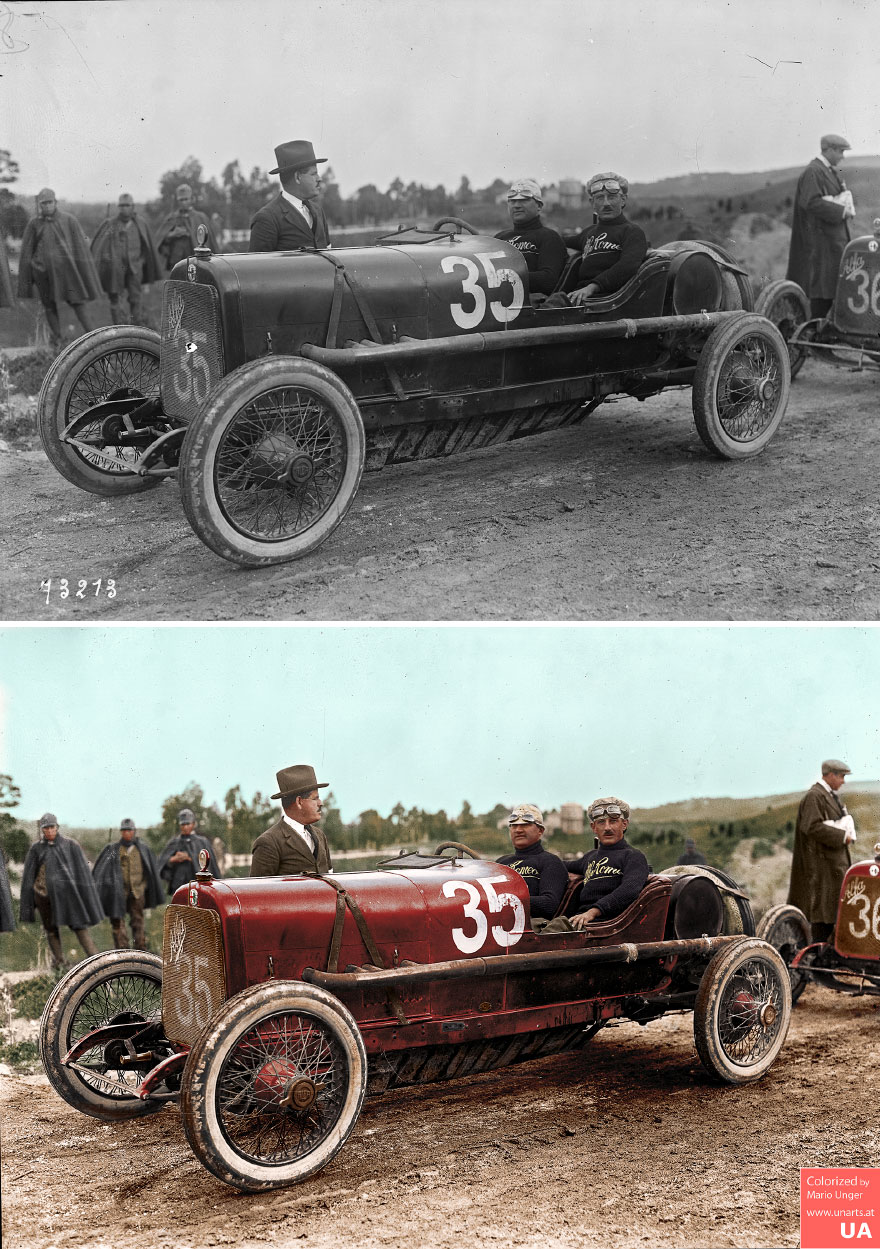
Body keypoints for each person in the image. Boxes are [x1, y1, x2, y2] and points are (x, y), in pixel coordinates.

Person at [542, 796, 649, 932]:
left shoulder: (633, 856)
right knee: (531, 928)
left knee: (542, 937)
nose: (607, 828)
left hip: (605, 924)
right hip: (580, 921)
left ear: (624, 824)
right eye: (601, 822)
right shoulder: (591, 857)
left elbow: (629, 890)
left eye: (613, 821)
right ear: (594, 827)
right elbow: (561, 865)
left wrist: (593, 911)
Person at [17, 188, 101, 348]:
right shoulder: (34, 224)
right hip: (44, 274)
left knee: (78, 302)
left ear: (56, 202)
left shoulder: (69, 220)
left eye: (50, 202)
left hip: (67, 273)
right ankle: (58, 342)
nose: (47, 206)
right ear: (39, 205)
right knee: (49, 306)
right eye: (43, 203)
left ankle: (95, 339)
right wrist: (32, 272)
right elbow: (27, 251)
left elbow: (80, 248)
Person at [19, 814, 103, 969]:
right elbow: (29, 876)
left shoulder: (70, 845)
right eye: (46, 828)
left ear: (57, 827)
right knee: (51, 929)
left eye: (52, 827)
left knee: (79, 926)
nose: (49, 831)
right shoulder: (36, 848)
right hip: (43, 896)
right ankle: (59, 962)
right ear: (42, 829)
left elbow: (82, 873)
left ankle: (97, 962)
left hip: (67, 897)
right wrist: (30, 902)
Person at [786, 135, 855, 320]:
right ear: (829, 150)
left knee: (829, 292)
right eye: (840, 151)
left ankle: (819, 333)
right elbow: (811, 202)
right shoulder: (814, 171)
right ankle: (812, 334)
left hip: (830, 245)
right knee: (821, 294)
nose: (842, 156)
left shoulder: (827, 171)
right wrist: (842, 210)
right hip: (821, 246)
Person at [788, 759, 856, 943]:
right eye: (841, 776)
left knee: (830, 912)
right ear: (831, 775)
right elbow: (811, 826)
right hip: (821, 868)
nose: (843, 781)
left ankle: (825, 953)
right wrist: (842, 836)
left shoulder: (828, 796)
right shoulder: (815, 796)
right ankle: (818, 955)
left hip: (830, 866)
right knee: (822, 914)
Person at [562, 172, 648, 304]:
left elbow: (627, 267)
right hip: (580, 297)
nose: (606, 203)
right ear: (592, 203)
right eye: (600, 198)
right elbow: (560, 241)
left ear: (623, 200)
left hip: (608, 300)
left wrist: (592, 287)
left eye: (612, 197)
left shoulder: (632, 232)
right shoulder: (589, 232)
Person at [90, 194, 162, 325]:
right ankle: (120, 328)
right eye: (122, 205)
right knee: (116, 299)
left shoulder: (140, 223)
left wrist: (141, 261)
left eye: (127, 205)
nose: (124, 208)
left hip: (135, 268)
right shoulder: (111, 223)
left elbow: (146, 245)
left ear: (133, 206)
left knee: (136, 298)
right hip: (116, 269)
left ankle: (136, 327)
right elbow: (101, 246)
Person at [92, 818, 164, 949]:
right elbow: (104, 870)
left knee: (138, 921)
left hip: (137, 892)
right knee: (117, 921)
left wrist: (142, 886)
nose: (127, 833)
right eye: (124, 830)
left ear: (134, 831)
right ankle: (122, 951)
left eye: (129, 830)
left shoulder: (143, 849)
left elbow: (149, 870)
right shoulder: (113, 849)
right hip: (118, 893)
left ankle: (140, 951)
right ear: (121, 832)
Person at [249, 140, 332, 252]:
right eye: (313, 174)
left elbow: (329, 254)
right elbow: (257, 262)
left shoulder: (318, 211)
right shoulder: (267, 219)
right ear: (297, 177)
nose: (319, 178)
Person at [251, 764, 332, 875]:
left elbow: (331, 878)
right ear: (299, 802)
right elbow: (259, 886)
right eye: (315, 798)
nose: (320, 803)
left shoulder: (320, 836)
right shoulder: (268, 842)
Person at [494, 179, 567, 299]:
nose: (516, 205)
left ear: (539, 206)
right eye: (512, 201)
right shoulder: (499, 238)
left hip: (529, 303)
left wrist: (505, 276)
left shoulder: (549, 237)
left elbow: (548, 280)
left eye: (523, 200)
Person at [496, 803, 568, 922]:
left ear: (540, 831)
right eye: (514, 825)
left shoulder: (550, 862)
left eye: (525, 825)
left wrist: (505, 900)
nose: (518, 830)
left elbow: (549, 904)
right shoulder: (501, 862)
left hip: (529, 925)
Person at [158, 808, 222, 896]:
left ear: (193, 824)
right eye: (183, 824)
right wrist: (173, 859)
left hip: (198, 887)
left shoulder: (202, 842)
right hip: (178, 887)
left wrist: (189, 857)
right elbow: (162, 864)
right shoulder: (174, 842)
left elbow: (210, 865)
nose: (185, 827)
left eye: (188, 824)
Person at [156, 184, 219, 272]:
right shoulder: (172, 218)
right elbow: (159, 241)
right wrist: (172, 234)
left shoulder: (201, 218)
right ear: (177, 200)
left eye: (186, 199)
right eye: (181, 200)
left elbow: (211, 242)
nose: (183, 202)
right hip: (176, 264)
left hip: (197, 263)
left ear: (191, 199)